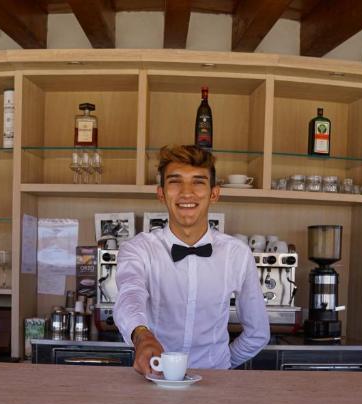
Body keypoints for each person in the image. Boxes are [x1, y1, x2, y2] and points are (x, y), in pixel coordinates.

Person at [114, 145, 269, 374]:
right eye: (175, 182)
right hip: (154, 378)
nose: (187, 192)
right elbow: (130, 295)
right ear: (161, 193)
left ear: (214, 194)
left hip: (216, 382)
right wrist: (142, 337)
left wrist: (221, 364)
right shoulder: (138, 249)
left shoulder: (237, 254)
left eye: (198, 182)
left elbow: (258, 333)